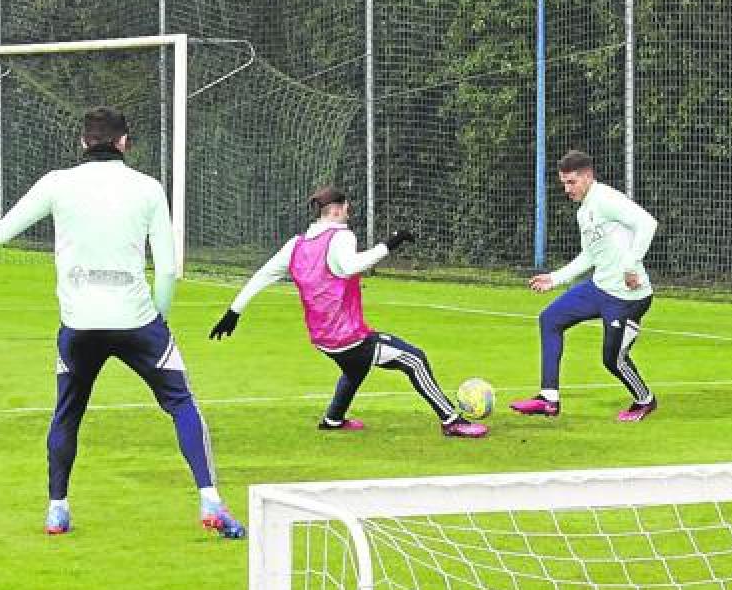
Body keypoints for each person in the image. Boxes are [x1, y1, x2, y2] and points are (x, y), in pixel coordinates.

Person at [0, 106, 243, 538]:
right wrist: (158, 317)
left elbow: (7, 226)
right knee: (182, 403)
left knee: (67, 413)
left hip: (80, 324)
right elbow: (167, 268)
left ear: (83, 142)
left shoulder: (58, 183)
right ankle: (210, 499)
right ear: (125, 142)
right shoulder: (147, 188)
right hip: (137, 321)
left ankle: (57, 509)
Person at [208, 185, 488, 438]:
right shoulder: (341, 236)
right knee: (414, 359)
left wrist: (234, 312)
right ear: (335, 210)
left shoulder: (296, 245)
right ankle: (452, 421)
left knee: (355, 371)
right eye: (346, 208)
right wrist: (390, 243)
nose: (349, 213)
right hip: (349, 338)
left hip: (322, 339)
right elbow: (349, 266)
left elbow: (262, 275)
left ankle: (333, 419)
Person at [510, 150, 659, 422]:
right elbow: (590, 255)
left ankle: (645, 400)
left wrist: (630, 265)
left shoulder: (606, 199)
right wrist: (554, 278)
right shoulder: (584, 213)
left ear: (588, 176)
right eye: (564, 183)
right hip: (599, 288)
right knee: (550, 318)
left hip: (628, 298)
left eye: (572, 182)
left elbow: (647, 223)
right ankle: (549, 398)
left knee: (613, 360)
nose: (567, 189)